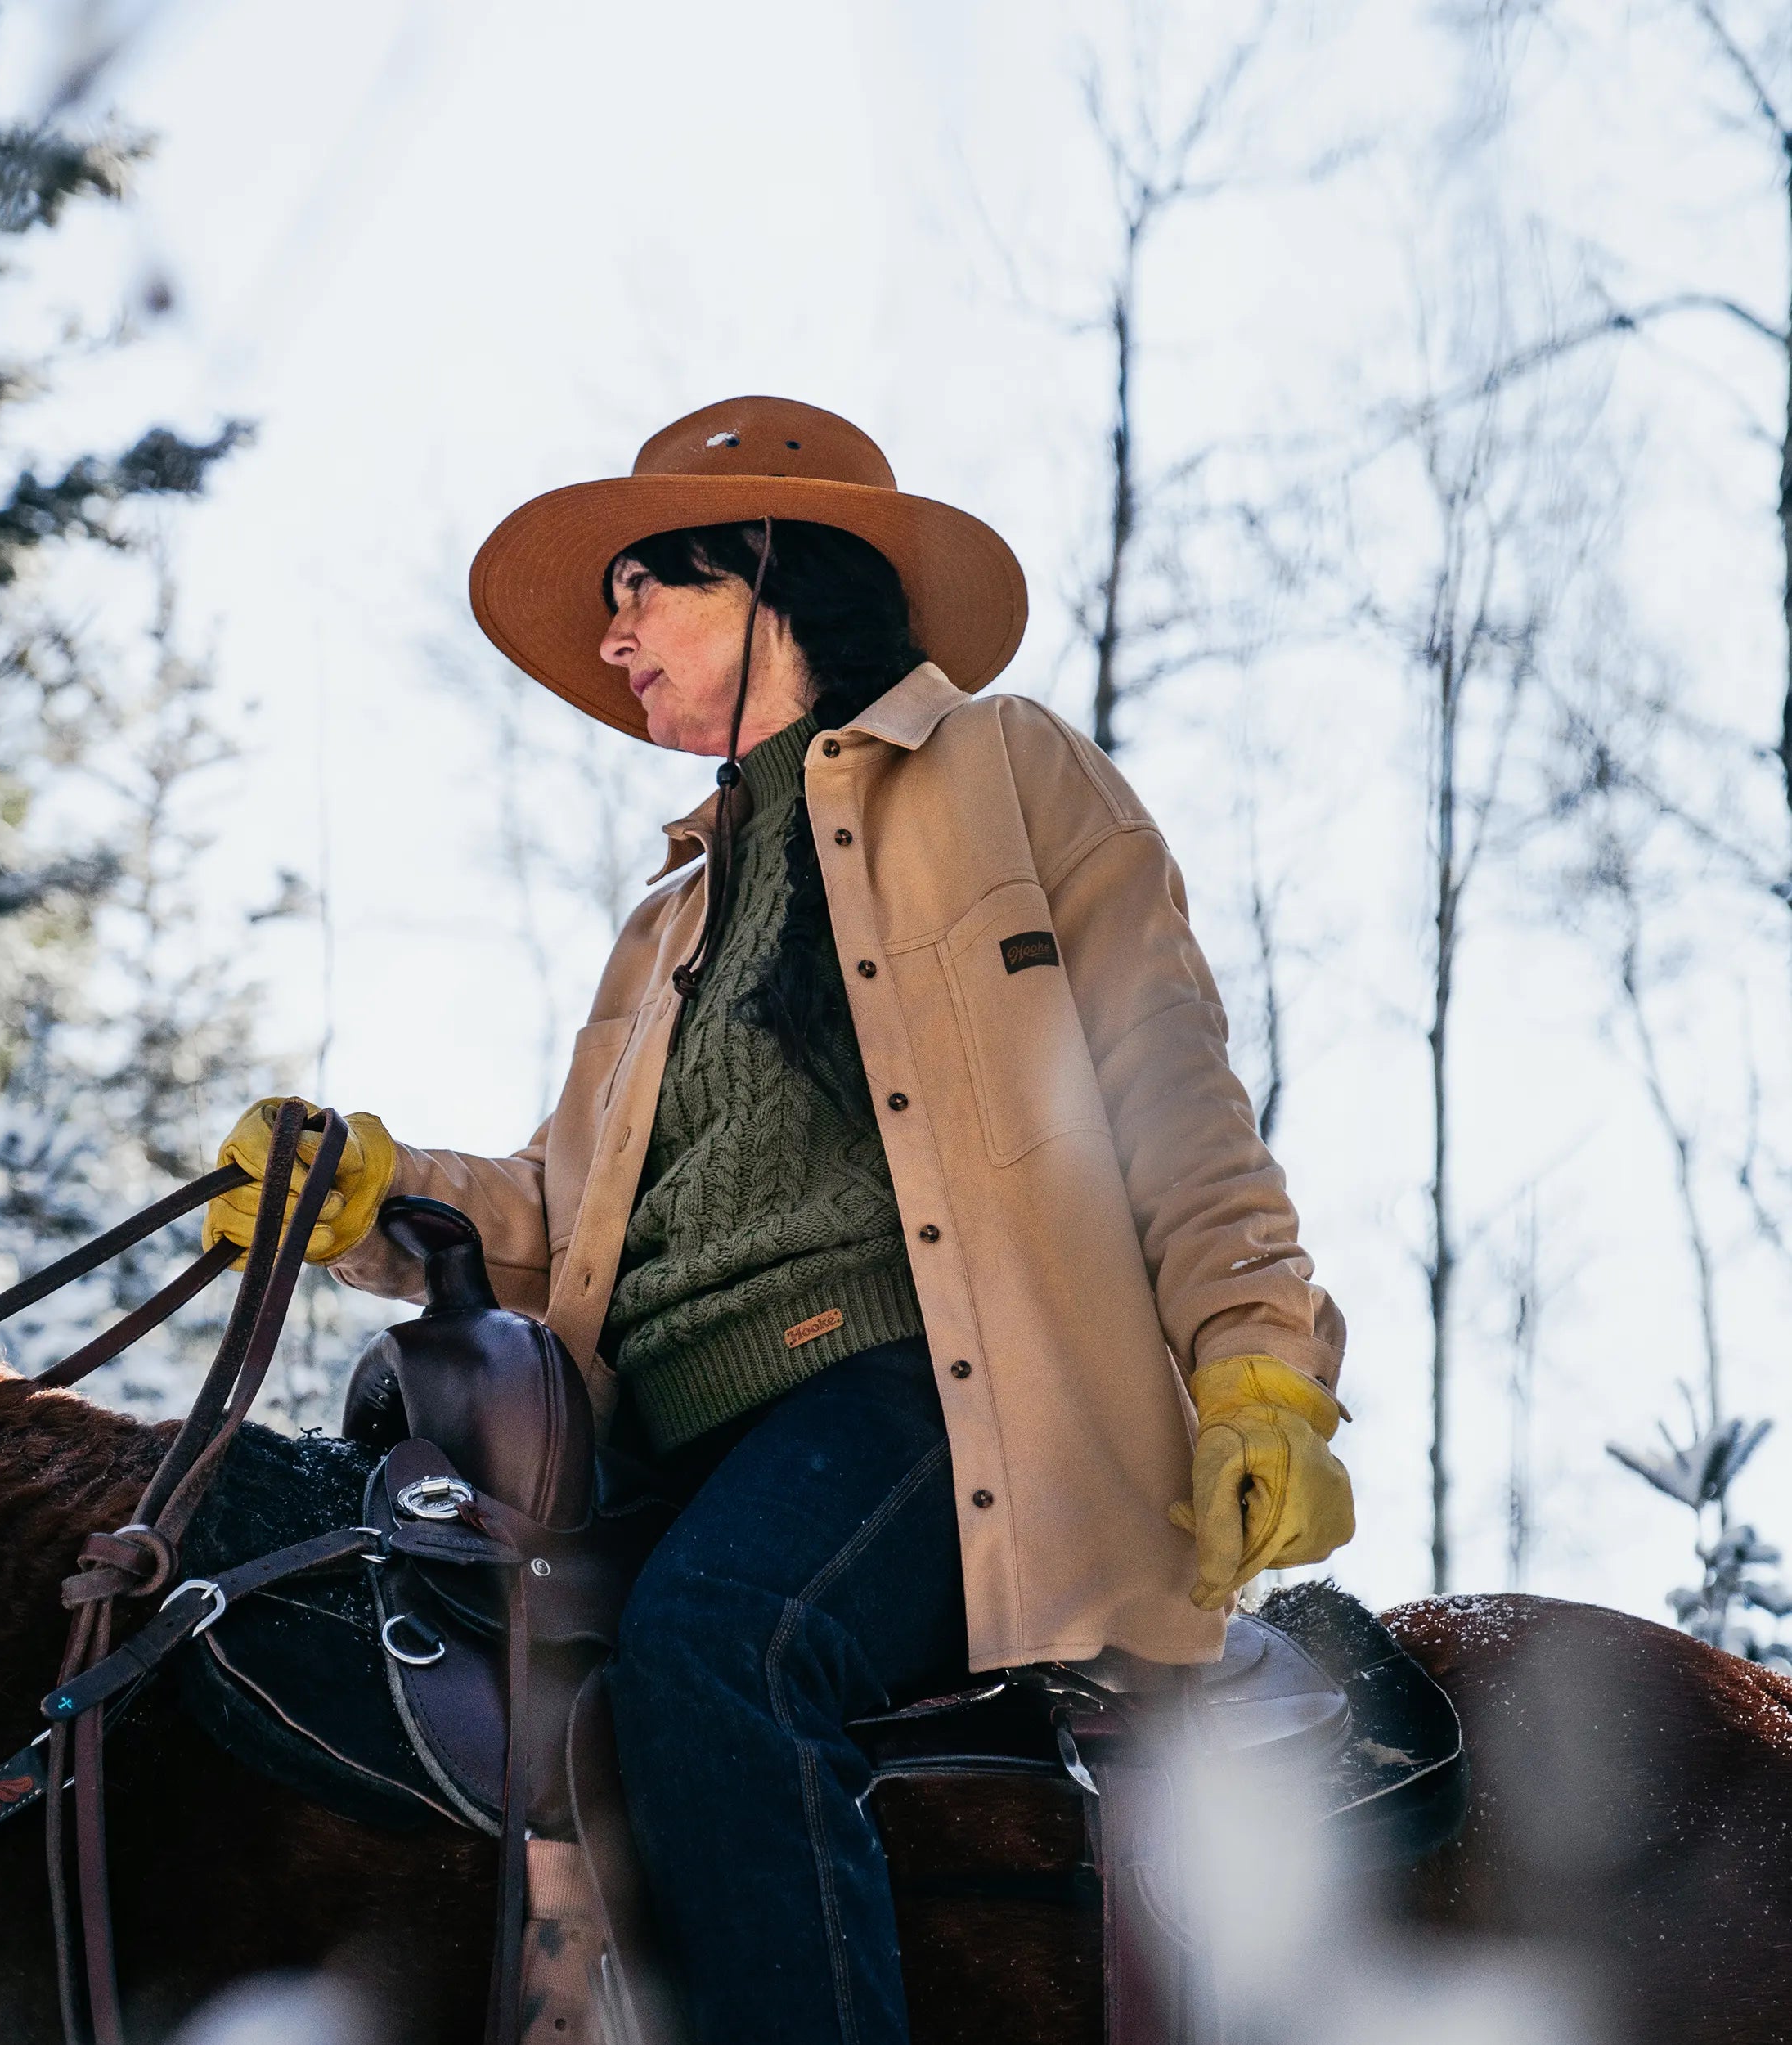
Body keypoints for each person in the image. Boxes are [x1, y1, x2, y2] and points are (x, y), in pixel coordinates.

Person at [204, 396, 1355, 2044]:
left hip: (922, 1404)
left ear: (761, 566)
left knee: (716, 1646)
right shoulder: (662, 918)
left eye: (637, 591)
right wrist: (376, 1192)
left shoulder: (1010, 771)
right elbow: (565, 1219)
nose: (608, 642)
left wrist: (1257, 1368)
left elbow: (1168, 1097)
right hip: (658, 1447)